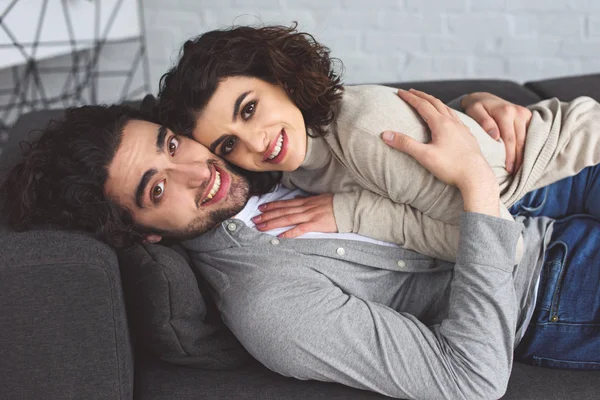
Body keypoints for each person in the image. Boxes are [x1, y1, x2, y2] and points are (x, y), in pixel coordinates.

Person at [2, 89, 600, 400]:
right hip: (552, 287)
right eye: (158, 187)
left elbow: (381, 126)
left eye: (170, 143)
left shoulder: (248, 150)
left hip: (540, 180)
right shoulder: (270, 304)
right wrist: (473, 181)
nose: (197, 170)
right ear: (143, 233)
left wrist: (476, 113)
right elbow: (472, 380)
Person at [156, 24, 600, 263]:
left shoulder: (363, 129)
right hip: (534, 194)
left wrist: (355, 214)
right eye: (229, 144)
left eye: (249, 108)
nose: (255, 142)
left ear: (278, 77)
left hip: (576, 163)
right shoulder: (297, 163)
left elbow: (502, 248)